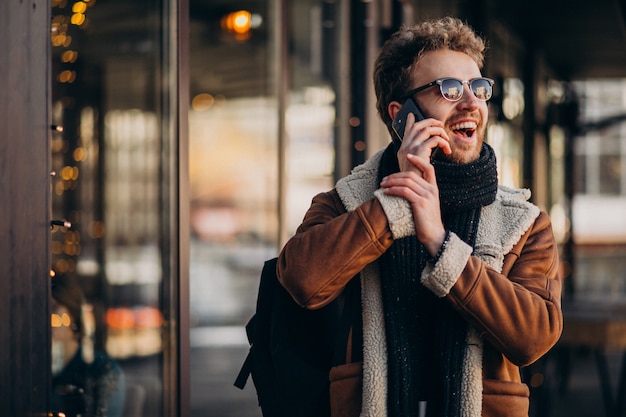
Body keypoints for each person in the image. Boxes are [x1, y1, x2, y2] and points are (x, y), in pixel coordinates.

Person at [276, 16, 562, 417]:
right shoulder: (344, 203)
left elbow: (533, 337)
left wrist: (441, 246)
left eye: (479, 88)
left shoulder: (524, 222)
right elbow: (303, 281)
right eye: (449, 89)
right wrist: (394, 207)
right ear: (401, 113)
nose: (471, 103)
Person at [51, 273, 126, 417]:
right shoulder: (33, 371)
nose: (47, 319)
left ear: (72, 315)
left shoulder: (103, 371)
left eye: (53, 310)